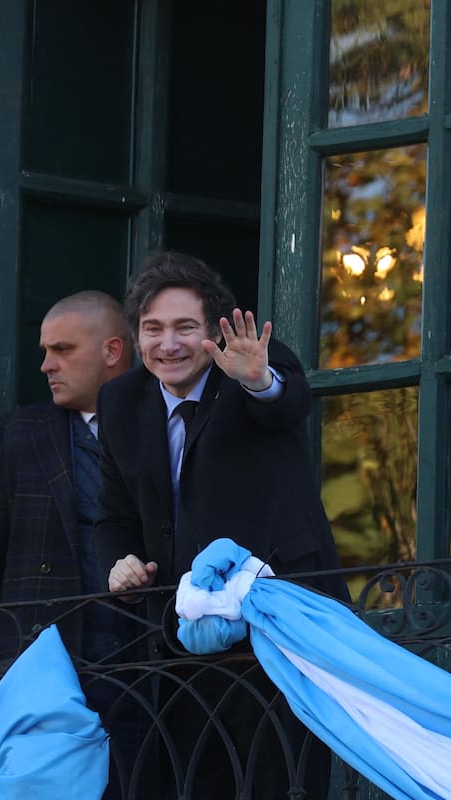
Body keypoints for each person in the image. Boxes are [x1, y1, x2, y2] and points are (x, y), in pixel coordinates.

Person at [95, 250, 341, 799]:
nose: (169, 344)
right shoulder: (120, 401)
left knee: (280, 782)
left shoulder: (250, 367)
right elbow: (113, 515)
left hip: (275, 628)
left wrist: (259, 381)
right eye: (153, 329)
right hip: (177, 635)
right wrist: (120, 564)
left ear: (213, 332)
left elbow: (287, 403)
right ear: (136, 337)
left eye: (185, 327)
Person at [0, 290, 131, 670]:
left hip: (142, 656)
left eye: (62, 349)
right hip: (34, 659)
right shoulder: (21, 433)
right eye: (45, 351)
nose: (46, 366)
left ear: (112, 351)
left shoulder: (163, 427)